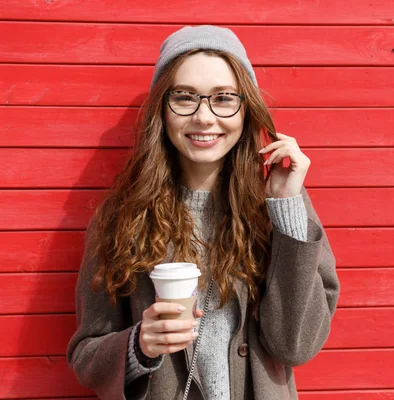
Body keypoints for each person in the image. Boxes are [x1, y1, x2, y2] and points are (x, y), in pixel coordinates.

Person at [66, 25, 339, 400]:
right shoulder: (120, 217)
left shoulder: (281, 207)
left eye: (224, 98)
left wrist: (286, 207)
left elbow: (295, 345)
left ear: (246, 108)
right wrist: (137, 346)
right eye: (185, 97)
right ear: (162, 110)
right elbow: (86, 355)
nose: (204, 117)